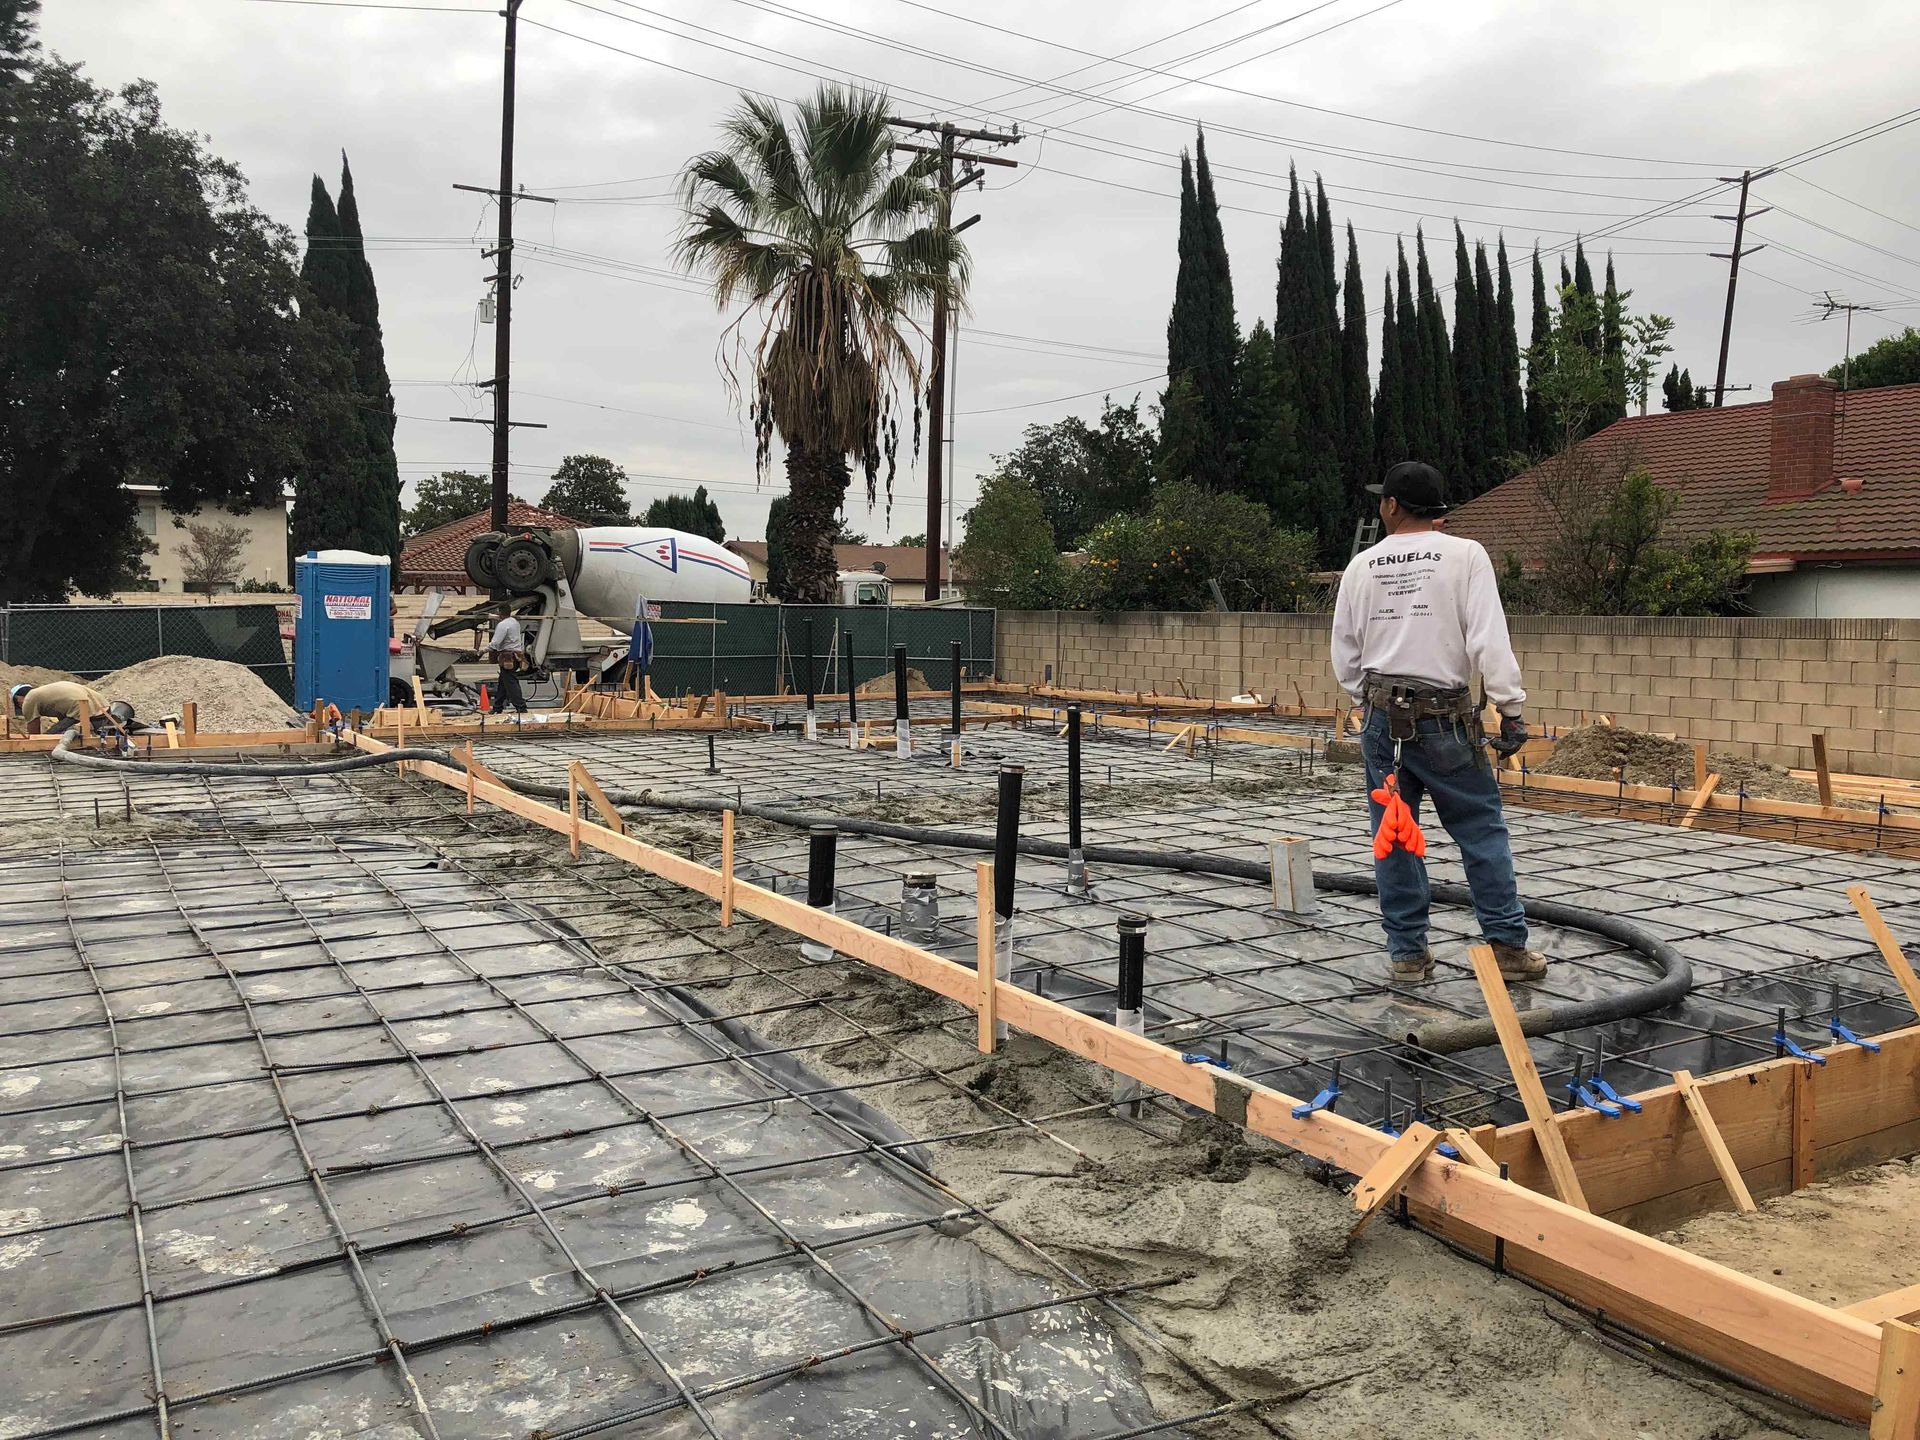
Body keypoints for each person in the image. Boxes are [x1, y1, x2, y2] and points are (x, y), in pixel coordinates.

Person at [1330, 460, 1545, 985]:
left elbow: (1346, 653)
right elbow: (1489, 639)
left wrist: (1369, 701)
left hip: (1384, 720)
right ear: (1438, 511)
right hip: (1445, 719)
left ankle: (1407, 954)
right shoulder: (1465, 556)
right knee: (1480, 831)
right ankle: (1507, 950)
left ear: (1391, 506)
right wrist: (1509, 709)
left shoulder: (1363, 566)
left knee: (1395, 834)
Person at [10, 679, 113, 735]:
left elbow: (34, 734)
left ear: (18, 698)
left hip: (86, 714)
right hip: (104, 712)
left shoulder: (29, 699)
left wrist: (34, 743)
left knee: (49, 737)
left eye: (18, 703)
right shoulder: (44, 694)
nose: (21, 706)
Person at [486, 604, 530, 715]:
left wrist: (483, 650)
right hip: (516, 655)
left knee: (510, 683)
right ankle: (497, 707)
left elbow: (496, 643)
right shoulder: (514, 622)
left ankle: (521, 707)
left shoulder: (502, 625)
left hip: (507, 657)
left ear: (500, 612)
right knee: (503, 683)